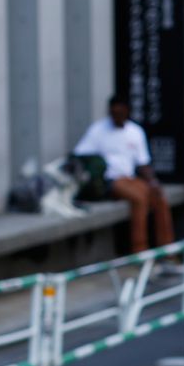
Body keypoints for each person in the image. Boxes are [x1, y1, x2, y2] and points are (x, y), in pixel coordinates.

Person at [73, 95, 175, 256]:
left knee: (158, 197)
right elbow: (79, 154)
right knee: (139, 199)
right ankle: (140, 252)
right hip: (109, 181)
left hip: (130, 178)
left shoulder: (135, 131)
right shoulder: (98, 130)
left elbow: (143, 162)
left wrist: (153, 181)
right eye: (114, 113)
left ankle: (168, 251)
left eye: (120, 113)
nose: (117, 116)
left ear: (127, 112)